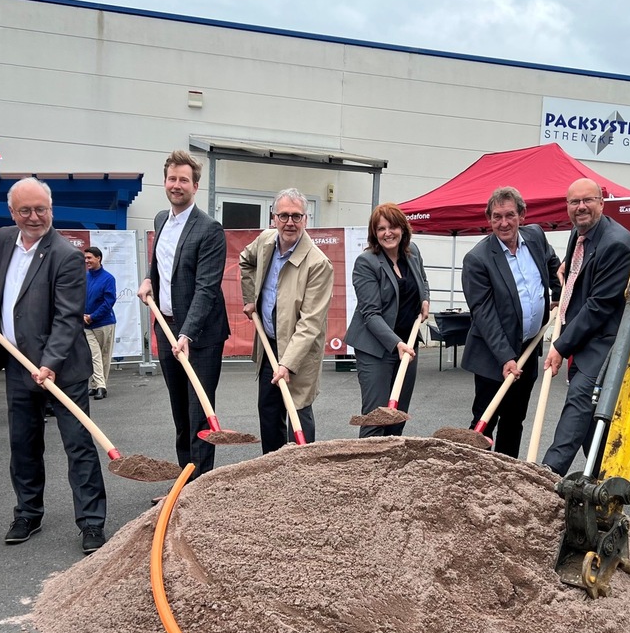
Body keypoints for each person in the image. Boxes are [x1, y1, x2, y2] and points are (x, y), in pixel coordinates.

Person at [0, 177, 108, 555]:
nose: (35, 217)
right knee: (23, 445)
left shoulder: (66, 255)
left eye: (41, 209)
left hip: (62, 369)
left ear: (51, 210)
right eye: (26, 210)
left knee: (78, 446)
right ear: (12, 212)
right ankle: (27, 512)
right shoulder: (5, 239)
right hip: (18, 365)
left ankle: (91, 522)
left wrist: (50, 363)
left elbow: (67, 317)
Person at [137, 150, 230, 476]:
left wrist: (186, 333)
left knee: (199, 412)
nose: (177, 185)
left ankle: (200, 485)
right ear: (165, 182)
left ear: (195, 186)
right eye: (172, 179)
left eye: (183, 180)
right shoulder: (162, 219)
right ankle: (184, 478)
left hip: (199, 335)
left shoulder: (209, 230)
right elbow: (161, 262)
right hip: (166, 327)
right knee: (180, 410)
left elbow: (206, 288)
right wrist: (149, 278)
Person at [541, 177, 630, 476]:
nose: (581, 207)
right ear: (567, 207)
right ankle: (602, 475)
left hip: (604, 343)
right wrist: (566, 283)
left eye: (588, 200)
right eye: (574, 202)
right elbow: (577, 271)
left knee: (579, 404)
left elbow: (599, 306)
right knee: (589, 421)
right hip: (583, 336)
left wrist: (559, 346)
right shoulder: (579, 232)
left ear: (602, 202)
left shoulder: (617, 244)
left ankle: (546, 475)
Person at [460, 186, 560, 457]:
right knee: (485, 419)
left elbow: (553, 266)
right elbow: (484, 314)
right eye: (496, 217)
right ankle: (472, 473)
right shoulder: (477, 259)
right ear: (488, 219)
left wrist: (558, 294)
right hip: (493, 354)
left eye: (509, 215)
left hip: (528, 348)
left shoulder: (536, 237)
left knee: (514, 420)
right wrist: (505, 356)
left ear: (522, 215)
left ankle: (506, 473)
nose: (503, 223)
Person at [239, 188, 334, 452]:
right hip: (269, 345)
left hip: (299, 354)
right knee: (269, 413)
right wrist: (250, 298)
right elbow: (245, 261)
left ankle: (303, 474)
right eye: (283, 216)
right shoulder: (266, 241)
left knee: (297, 414)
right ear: (273, 218)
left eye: (296, 216)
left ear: (306, 219)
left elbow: (310, 324)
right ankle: (272, 473)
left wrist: (287, 365)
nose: (289, 222)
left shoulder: (318, 263)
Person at [343, 202, 431, 437]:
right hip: (376, 349)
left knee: (397, 418)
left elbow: (422, 281)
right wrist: (396, 344)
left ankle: (389, 470)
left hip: (408, 345)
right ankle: (367, 470)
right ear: (374, 233)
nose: (387, 233)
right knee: (376, 418)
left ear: (402, 228)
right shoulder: (367, 262)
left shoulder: (413, 253)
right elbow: (370, 314)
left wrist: (425, 299)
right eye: (381, 229)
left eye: (392, 227)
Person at [83, 246, 117, 400]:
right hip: (87, 325)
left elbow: (109, 301)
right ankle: (100, 386)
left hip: (104, 323)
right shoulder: (84, 277)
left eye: (89, 258)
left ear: (99, 258)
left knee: (104, 355)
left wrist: (93, 316)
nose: (87, 261)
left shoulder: (108, 278)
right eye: (86, 258)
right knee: (94, 355)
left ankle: (98, 384)